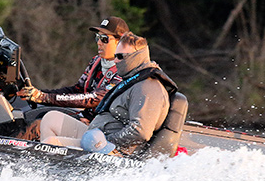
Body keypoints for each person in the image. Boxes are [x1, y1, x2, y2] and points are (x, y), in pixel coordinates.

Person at [39, 32, 176, 156]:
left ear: (136, 58)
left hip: (112, 149)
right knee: (51, 118)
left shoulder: (147, 88)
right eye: (115, 56)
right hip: (96, 137)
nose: (115, 61)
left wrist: (105, 141)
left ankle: (52, 173)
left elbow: (140, 132)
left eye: (120, 56)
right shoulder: (133, 80)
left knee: (51, 143)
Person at [15, 17, 129, 139]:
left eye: (104, 39)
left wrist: (44, 97)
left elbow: (93, 98)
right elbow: (78, 89)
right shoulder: (97, 61)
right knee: (40, 114)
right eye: (97, 37)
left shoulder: (124, 71)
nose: (99, 43)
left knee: (40, 125)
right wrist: (38, 94)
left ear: (120, 42)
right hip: (88, 119)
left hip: (104, 131)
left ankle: (13, 148)